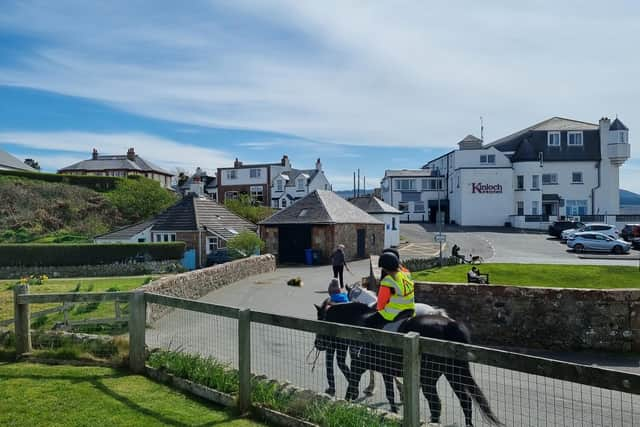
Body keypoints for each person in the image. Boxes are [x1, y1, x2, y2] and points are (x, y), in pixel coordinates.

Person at [366, 251, 415, 329]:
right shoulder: (406, 274)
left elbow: (380, 304)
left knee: (368, 322)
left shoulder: (387, 281)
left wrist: (379, 311)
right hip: (410, 310)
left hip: (394, 314)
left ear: (384, 268)